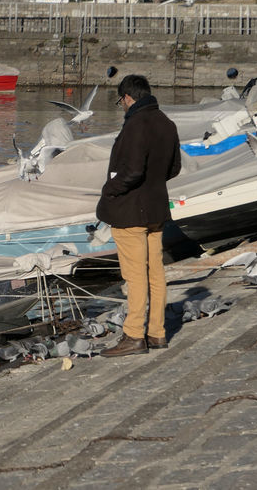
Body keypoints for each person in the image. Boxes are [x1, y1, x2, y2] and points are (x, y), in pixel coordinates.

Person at [97, 74, 183, 357]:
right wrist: (153, 182)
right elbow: (174, 169)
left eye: (120, 100)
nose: (121, 106)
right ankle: (157, 333)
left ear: (128, 98)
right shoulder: (166, 123)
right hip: (156, 210)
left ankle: (134, 335)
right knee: (155, 272)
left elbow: (132, 172)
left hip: (131, 211)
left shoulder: (136, 125)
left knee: (134, 276)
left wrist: (109, 189)